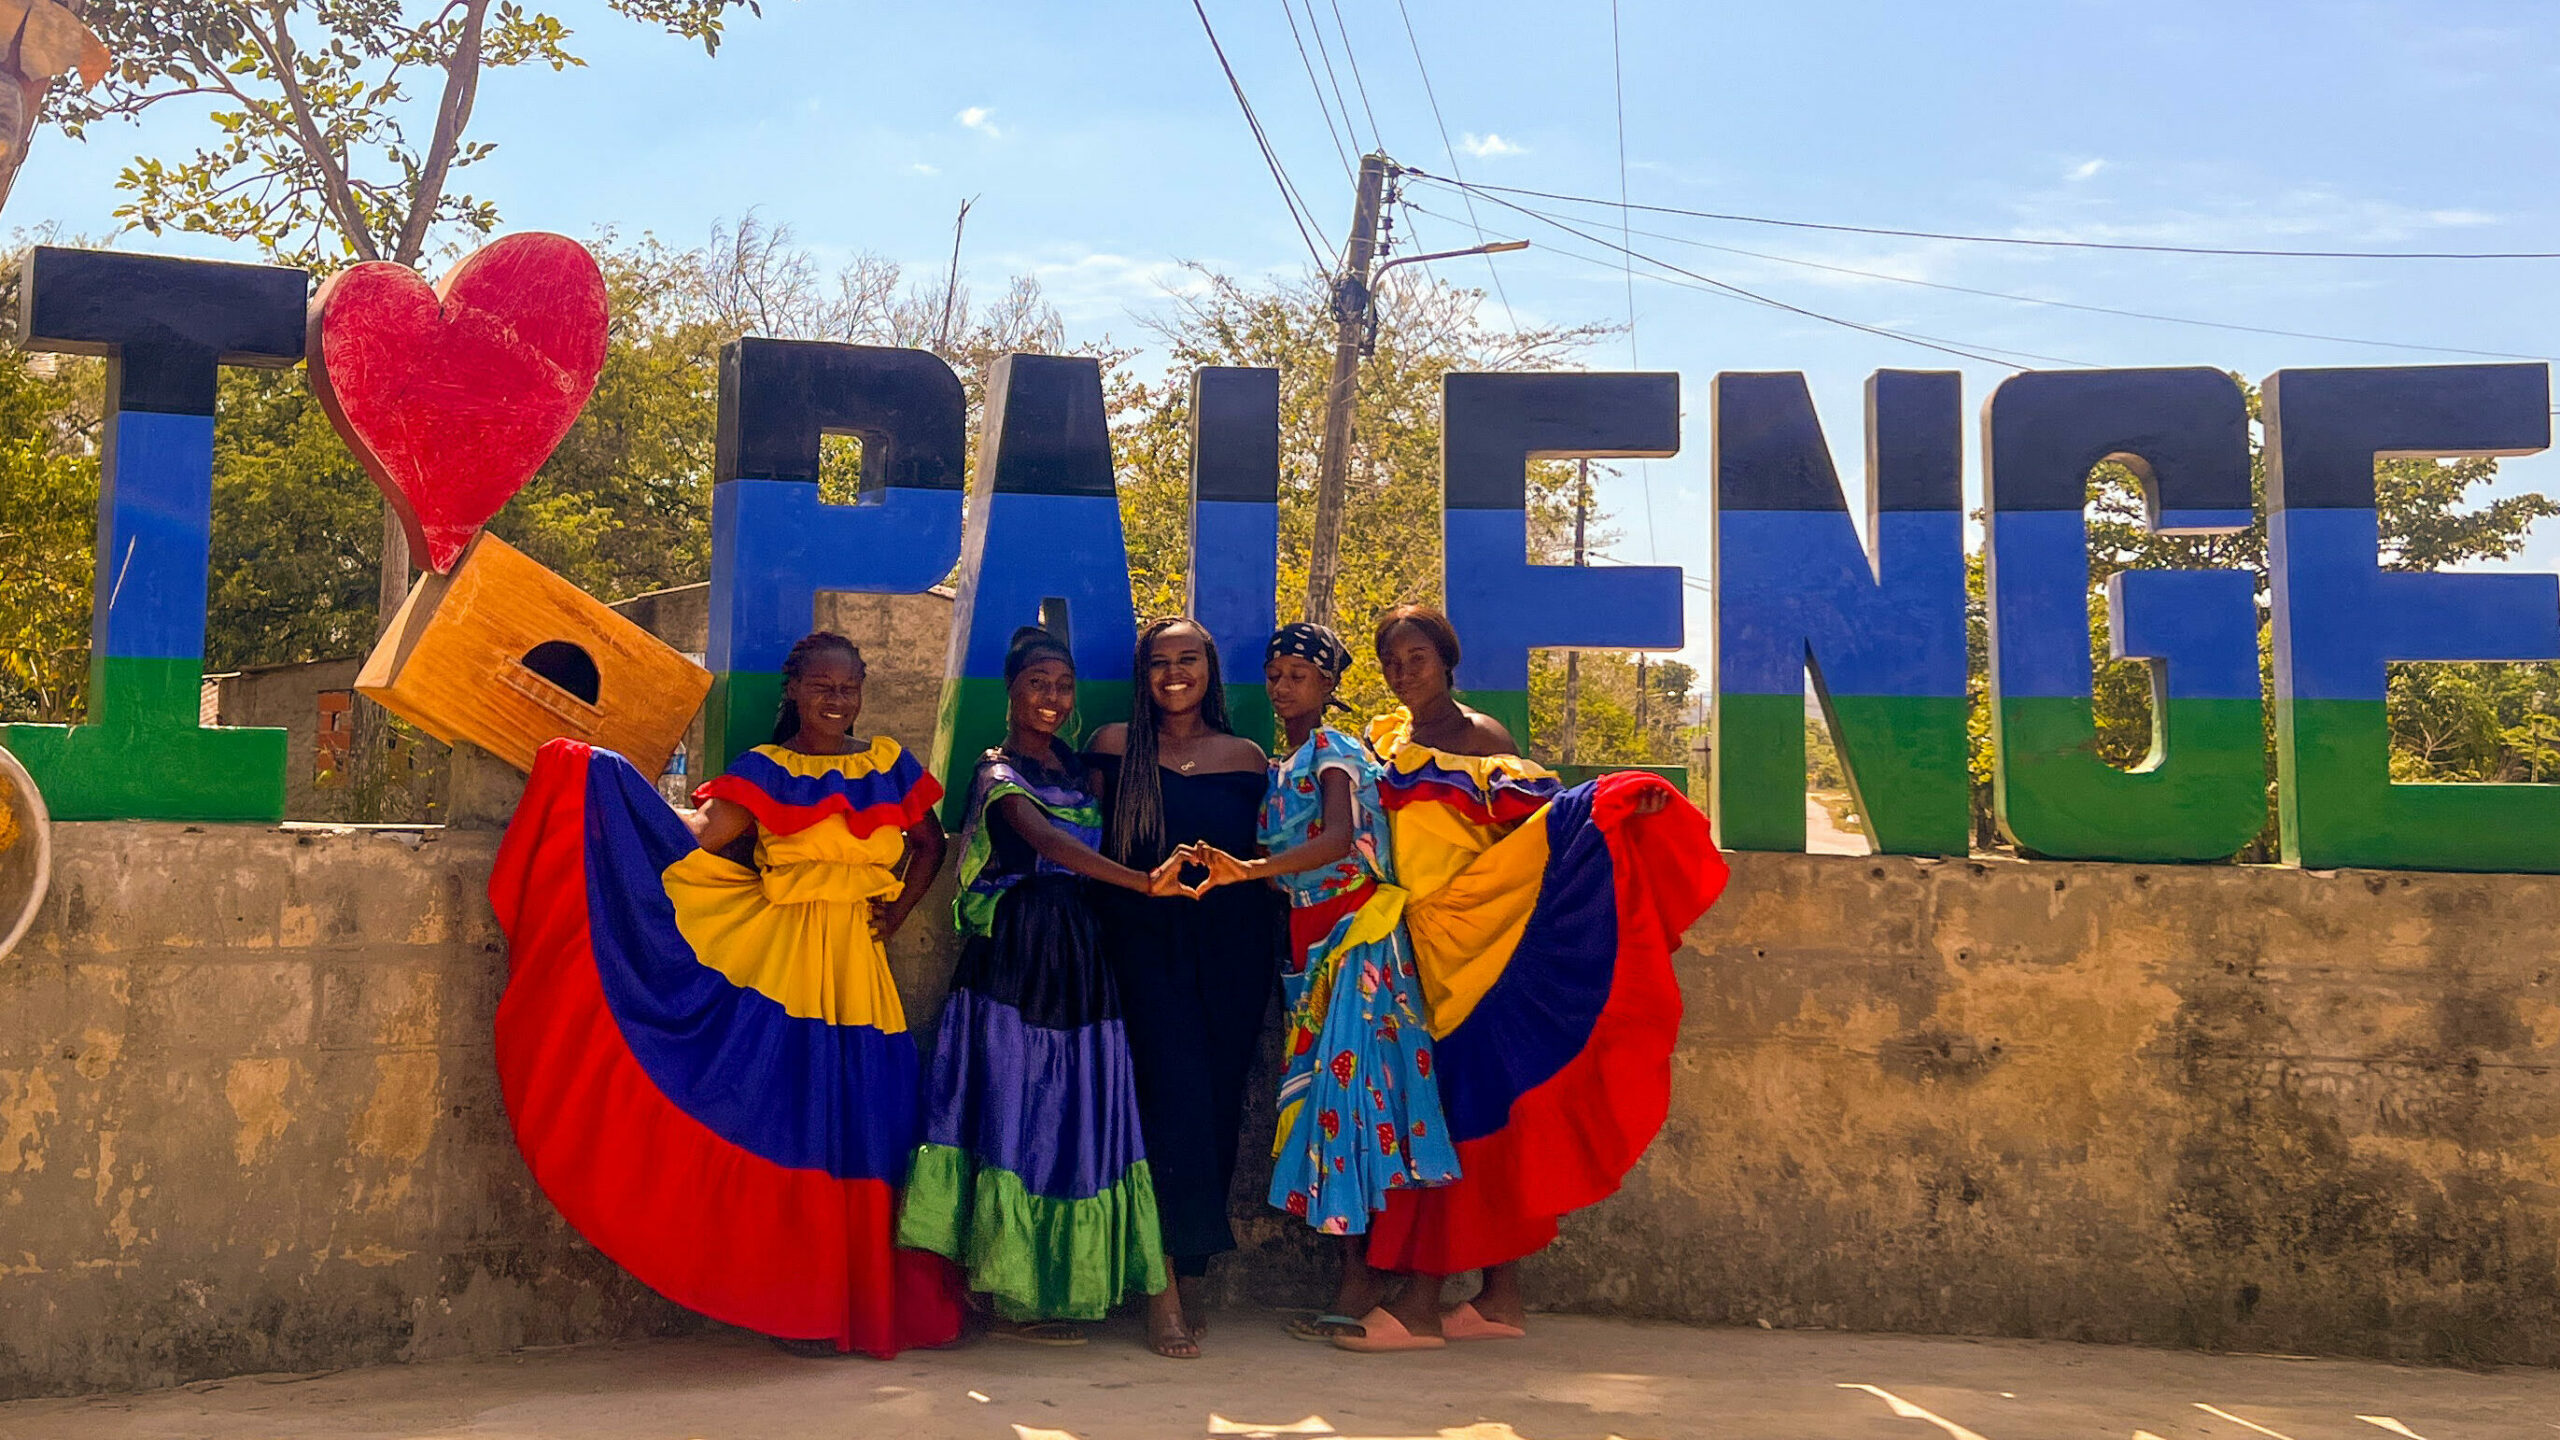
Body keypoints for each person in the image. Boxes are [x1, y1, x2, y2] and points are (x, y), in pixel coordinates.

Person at [489, 630, 965, 1359]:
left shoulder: (889, 764)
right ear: (794, 692)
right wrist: (600, 777)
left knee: (869, 1122)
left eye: (849, 688)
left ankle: (858, 1298)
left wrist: (895, 913)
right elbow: (698, 836)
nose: (837, 701)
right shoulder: (765, 770)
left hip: (861, 974)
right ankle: (804, 1302)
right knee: (798, 1122)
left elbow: (929, 844)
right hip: (783, 969)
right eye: (823, 688)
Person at [1341, 604, 1728, 1353]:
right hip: (1417, 949)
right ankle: (1499, 1298)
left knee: (1450, 1116)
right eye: (1390, 660)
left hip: (1482, 952)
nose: (1402, 672)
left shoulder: (1481, 740)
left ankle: (1422, 1307)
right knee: (1478, 1115)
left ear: (1446, 660)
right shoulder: (1387, 739)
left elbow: (1543, 831)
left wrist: (1618, 803)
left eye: (1415, 656)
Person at [897, 626, 1188, 1346]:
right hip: (1018, 954)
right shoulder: (993, 773)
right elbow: (1047, 843)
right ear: (1011, 692)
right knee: (1013, 1109)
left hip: (1080, 955)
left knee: (1074, 1112)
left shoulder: (1080, 769)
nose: (1052, 699)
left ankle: (1060, 1282)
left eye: (1063, 686)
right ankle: (1006, 1288)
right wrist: (1142, 884)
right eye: (1038, 685)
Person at [1188, 622, 1462, 1343]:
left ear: (1330, 685)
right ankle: (1363, 1270)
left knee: (1356, 1107)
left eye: (1299, 675)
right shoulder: (1284, 763)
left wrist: (1247, 870)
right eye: (1275, 674)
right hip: (1311, 949)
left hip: (1358, 946)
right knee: (1330, 1113)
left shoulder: (1337, 753)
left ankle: (1368, 1276)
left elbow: (1338, 839)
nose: (1283, 687)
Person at [1089, 617, 1283, 1359]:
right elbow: (1085, 838)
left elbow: (1271, 849)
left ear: (1210, 669)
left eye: (1189, 659)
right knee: (1165, 1103)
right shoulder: (1113, 746)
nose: (1175, 672)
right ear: (1144, 675)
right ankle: (1162, 1284)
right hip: (1142, 948)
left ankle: (1193, 1268)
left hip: (1234, 952)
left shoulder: (1246, 757)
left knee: (1219, 1104)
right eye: (1160, 662)